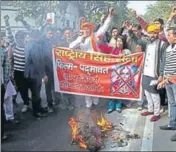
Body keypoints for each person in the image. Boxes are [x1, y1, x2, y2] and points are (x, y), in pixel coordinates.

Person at [69, 8, 114, 108]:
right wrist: (81, 38)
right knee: (86, 84)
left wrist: (110, 16)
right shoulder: (80, 38)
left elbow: (104, 27)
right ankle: (88, 101)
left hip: (95, 64)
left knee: (95, 82)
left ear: (90, 30)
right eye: (84, 29)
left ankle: (95, 100)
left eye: (87, 29)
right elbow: (71, 47)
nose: (86, 31)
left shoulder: (95, 35)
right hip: (84, 65)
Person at [141, 24, 168, 122]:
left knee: (154, 93)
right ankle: (150, 109)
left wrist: (161, 74)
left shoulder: (162, 44)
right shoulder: (148, 43)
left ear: (157, 33)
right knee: (147, 92)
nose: (151, 35)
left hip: (154, 73)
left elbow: (164, 60)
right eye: (150, 33)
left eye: (154, 33)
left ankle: (156, 113)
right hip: (146, 72)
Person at [4, 15, 30, 113]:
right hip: (17, 72)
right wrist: (7, 22)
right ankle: (26, 104)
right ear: (16, 38)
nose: (20, 39)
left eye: (22, 37)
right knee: (21, 88)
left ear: (24, 38)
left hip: (26, 71)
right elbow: (9, 34)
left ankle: (27, 102)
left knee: (26, 88)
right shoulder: (14, 46)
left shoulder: (27, 47)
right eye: (18, 37)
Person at [98, 36, 131, 113]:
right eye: (117, 41)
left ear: (123, 43)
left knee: (119, 90)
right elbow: (100, 47)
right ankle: (111, 106)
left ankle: (118, 106)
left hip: (122, 74)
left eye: (120, 41)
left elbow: (131, 59)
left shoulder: (126, 51)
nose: (119, 43)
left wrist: (124, 56)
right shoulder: (112, 50)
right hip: (112, 73)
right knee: (111, 90)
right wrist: (99, 39)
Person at [157, 27, 176, 142]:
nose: (167, 36)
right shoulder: (168, 48)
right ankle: (172, 123)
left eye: (170, 35)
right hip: (168, 80)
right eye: (168, 34)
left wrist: (166, 80)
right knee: (172, 103)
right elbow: (166, 65)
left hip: (173, 80)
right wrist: (164, 77)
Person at [24, 29, 48, 117]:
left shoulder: (27, 45)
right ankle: (36, 112)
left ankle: (39, 108)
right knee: (36, 93)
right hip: (35, 73)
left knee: (35, 92)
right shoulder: (36, 46)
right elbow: (38, 61)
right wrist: (44, 74)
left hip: (29, 72)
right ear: (37, 36)